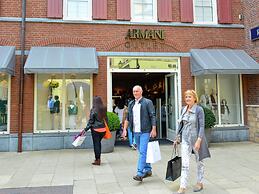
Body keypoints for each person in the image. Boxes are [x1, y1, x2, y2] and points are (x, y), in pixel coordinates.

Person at [173, 90, 211, 194]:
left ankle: (200, 182)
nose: (187, 99)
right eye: (186, 97)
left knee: (200, 162)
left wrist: (199, 140)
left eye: (189, 97)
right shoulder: (183, 109)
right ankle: (183, 186)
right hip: (185, 140)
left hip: (196, 140)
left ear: (195, 98)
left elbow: (202, 126)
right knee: (185, 163)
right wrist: (177, 137)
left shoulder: (199, 110)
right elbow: (181, 124)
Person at [121, 85, 157, 182]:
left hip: (145, 131)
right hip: (135, 131)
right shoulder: (131, 103)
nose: (135, 93)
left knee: (142, 152)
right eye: (134, 91)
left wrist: (153, 129)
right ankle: (148, 170)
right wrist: (124, 130)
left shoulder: (147, 102)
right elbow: (128, 118)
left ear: (141, 92)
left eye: (137, 91)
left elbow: (153, 116)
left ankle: (140, 173)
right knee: (141, 151)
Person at [84, 96, 107, 166]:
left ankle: (97, 160)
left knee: (96, 144)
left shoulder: (93, 110)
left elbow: (91, 121)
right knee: (98, 143)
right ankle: (98, 159)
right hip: (103, 129)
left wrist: (86, 129)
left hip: (96, 130)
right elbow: (106, 119)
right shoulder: (103, 108)